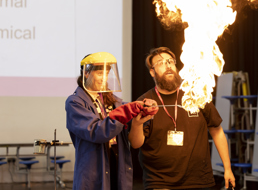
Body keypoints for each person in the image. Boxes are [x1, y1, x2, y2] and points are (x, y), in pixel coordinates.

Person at [129, 47, 235, 190]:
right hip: (160, 181)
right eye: (160, 63)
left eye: (170, 62)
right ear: (152, 72)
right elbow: (136, 144)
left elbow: (217, 130)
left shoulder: (196, 94)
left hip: (198, 179)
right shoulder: (145, 102)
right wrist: (136, 123)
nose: (168, 66)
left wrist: (227, 168)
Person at [66, 52, 158, 190]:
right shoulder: (74, 102)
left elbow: (127, 114)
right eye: (99, 74)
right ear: (86, 73)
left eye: (106, 74)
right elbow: (96, 131)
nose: (104, 79)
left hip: (116, 161)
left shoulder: (109, 99)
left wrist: (144, 107)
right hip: (94, 167)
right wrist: (128, 111)